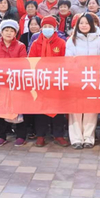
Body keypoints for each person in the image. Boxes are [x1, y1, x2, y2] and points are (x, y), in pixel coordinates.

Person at [65, 13, 100, 149]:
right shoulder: (72, 40)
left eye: (86, 23)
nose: (84, 25)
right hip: (76, 80)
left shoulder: (99, 41)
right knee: (75, 110)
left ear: (91, 25)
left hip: (93, 79)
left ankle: (89, 137)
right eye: (81, 23)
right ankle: (76, 138)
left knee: (91, 110)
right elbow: (68, 61)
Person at [28, 16, 69, 147]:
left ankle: (58, 135)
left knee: (58, 109)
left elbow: (65, 61)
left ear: (55, 28)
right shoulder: (36, 43)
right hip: (40, 80)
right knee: (41, 109)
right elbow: (31, 61)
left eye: (50, 27)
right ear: (41, 28)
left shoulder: (61, 43)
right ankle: (41, 135)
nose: (47, 29)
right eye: (45, 27)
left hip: (56, 80)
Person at [0, 19, 29, 146]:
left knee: (19, 109)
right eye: (6, 30)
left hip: (16, 82)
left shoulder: (21, 46)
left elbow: (23, 63)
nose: (9, 33)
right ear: (1, 32)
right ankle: (1, 136)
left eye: (12, 31)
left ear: (15, 33)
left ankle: (21, 136)